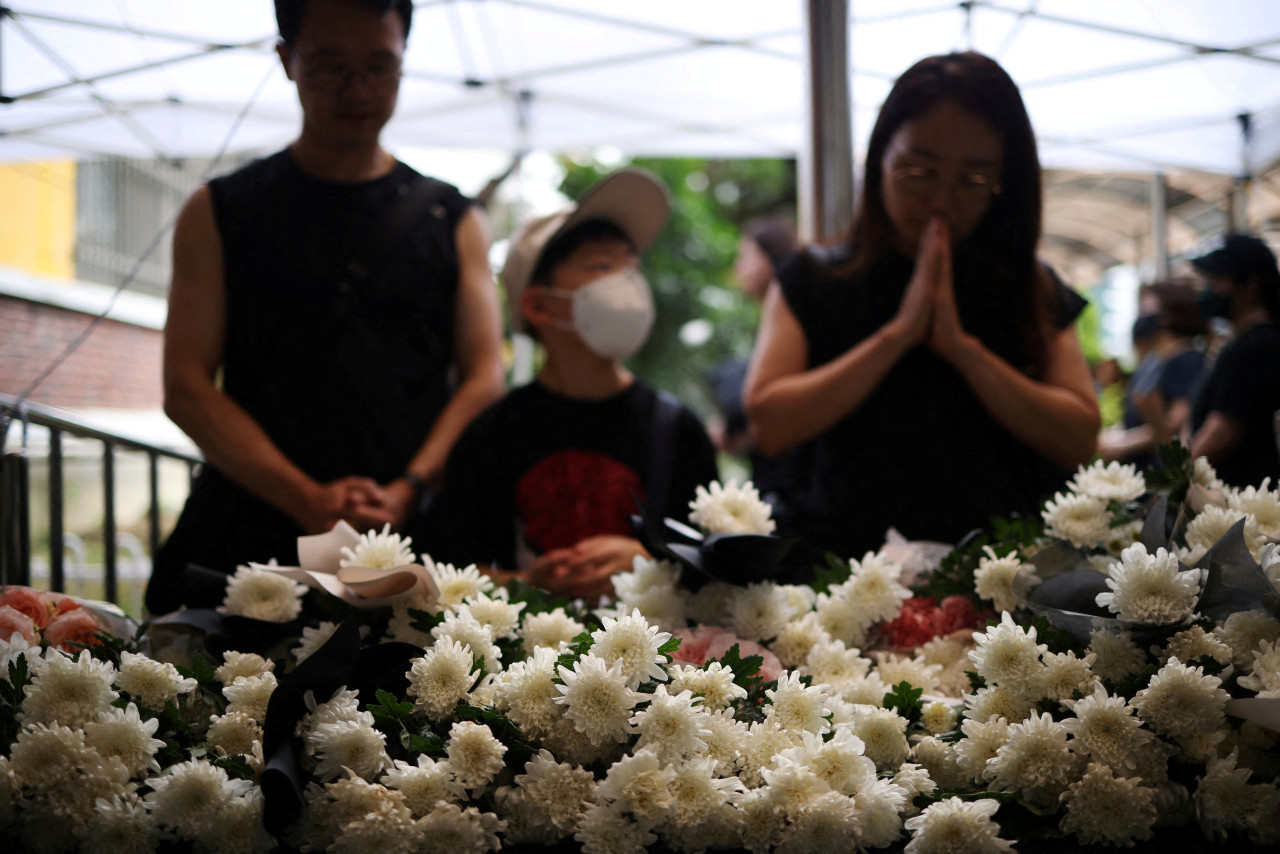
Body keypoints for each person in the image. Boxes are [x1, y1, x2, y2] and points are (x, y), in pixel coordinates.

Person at [146, 0, 505, 614]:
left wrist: (409, 487)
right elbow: (186, 386)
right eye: (330, 66)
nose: (358, 88)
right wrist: (308, 498)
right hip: (249, 533)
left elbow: (484, 375)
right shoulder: (219, 209)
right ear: (286, 60)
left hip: (406, 532)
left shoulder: (454, 218)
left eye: (380, 66)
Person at [744, 51, 1099, 560]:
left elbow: (1079, 436)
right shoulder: (815, 275)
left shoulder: (1029, 285)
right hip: (842, 582)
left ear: (1006, 183)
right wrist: (898, 335)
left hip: (998, 585)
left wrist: (962, 349)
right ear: (879, 156)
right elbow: (769, 423)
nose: (940, 200)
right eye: (918, 171)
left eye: (973, 181)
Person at [417, 168, 720, 603]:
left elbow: (719, 564)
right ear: (539, 305)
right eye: (602, 265)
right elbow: (447, 570)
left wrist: (651, 561)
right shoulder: (494, 433)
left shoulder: (676, 428)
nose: (628, 281)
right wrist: (528, 584)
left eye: (631, 265)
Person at [706, 217, 805, 520]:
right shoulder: (764, 327)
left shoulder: (799, 325)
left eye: (746, 257)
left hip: (796, 493)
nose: (738, 269)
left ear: (773, 258)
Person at [1189, 233, 1280, 487]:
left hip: (1244, 505)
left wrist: (1175, 487)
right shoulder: (1243, 342)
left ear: (1250, 286)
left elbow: (1222, 432)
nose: (1207, 289)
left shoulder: (1257, 346)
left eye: (1217, 280)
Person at [1098, 282, 1206, 469]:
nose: (1143, 312)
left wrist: (1124, 443)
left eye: (1148, 305)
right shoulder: (1154, 361)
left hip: (1156, 468)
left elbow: (1176, 421)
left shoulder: (1188, 359)